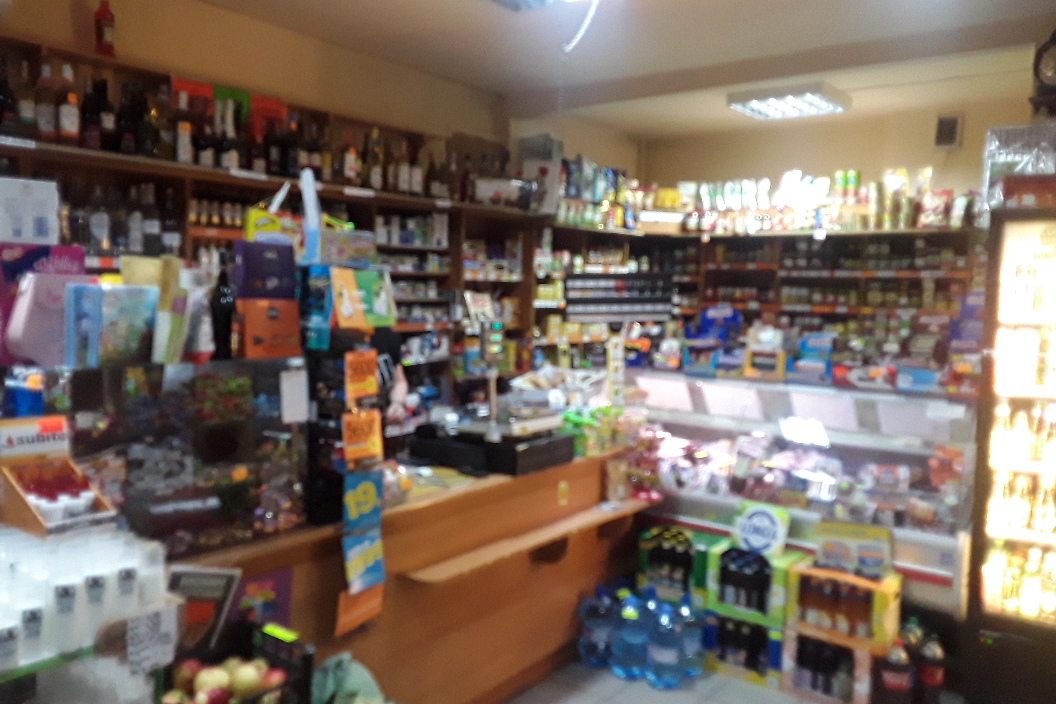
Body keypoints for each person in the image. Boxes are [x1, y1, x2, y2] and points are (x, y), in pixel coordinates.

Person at [369, 326, 409, 424]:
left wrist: (397, 404)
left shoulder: (388, 336)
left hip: (373, 419)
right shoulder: (341, 335)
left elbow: (400, 381)